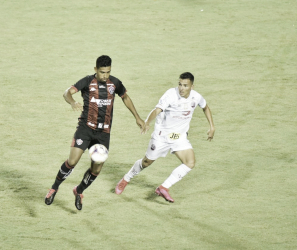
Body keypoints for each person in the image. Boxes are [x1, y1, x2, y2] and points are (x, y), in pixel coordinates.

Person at [45, 55, 145, 210]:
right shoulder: (87, 81)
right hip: (85, 129)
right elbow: (67, 92)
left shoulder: (115, 83)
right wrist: (72, 102)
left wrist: (137, 117)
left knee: (96, 169)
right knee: (72, 162)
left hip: (103, 134)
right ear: (95, 70)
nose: (105, 76)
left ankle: (79, 191)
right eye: (102, 72)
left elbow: (125, 97)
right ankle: (54, 188)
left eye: (107, 72)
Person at [115, 72, 215, 202]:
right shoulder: (170, 94)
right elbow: (157, 110)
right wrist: (147, 122)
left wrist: (212, 126)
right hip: (162, 136)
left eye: (185, 85)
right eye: (180, 84)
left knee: (190, 162)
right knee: (146, 162)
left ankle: (163, 187)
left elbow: (205, 107)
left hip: (178, 137)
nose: (181, 88)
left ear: (192, 86)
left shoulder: (196, 97)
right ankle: (126, 179)